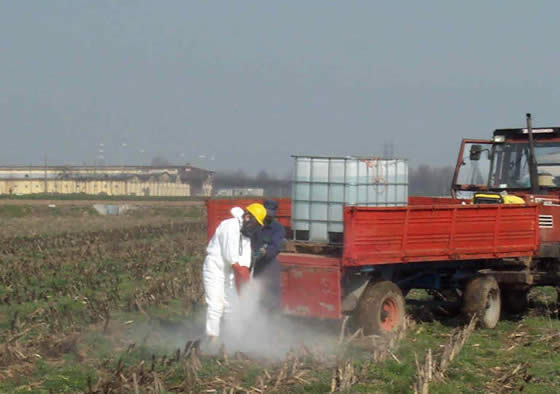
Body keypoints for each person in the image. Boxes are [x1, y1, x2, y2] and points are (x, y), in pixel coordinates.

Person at [202, 203, 266, 344]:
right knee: (216, 304)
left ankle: (234, 338)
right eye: (255, 224)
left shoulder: (245, 234)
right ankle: (212, 339)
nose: (254, 228)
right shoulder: (229, 226)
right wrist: (248, 282)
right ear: (247, 217)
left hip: (230, 270)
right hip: (215, 267)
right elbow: (232, 257)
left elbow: (244, 261)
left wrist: (247, 282)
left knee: (232, 304)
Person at [252, 200, 286, 311]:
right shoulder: (255, 224)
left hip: (269, 266)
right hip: (253, 264)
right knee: (253, 294)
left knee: (271, 297)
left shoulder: (278, 229)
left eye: (270, 214)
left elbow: (275, 247)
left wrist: (265, 252)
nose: (268, 216)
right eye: (266, 214)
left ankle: (272, 320)